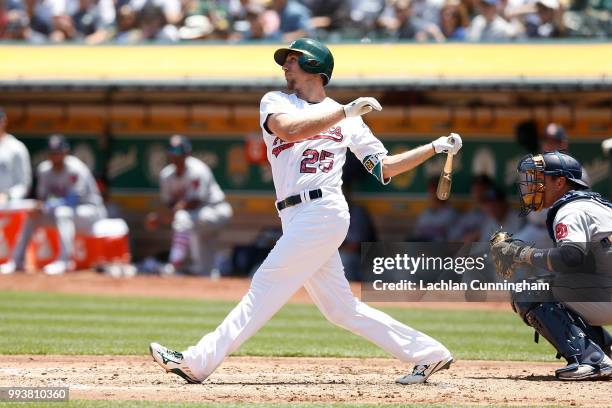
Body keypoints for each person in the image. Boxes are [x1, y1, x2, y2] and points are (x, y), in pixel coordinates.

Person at [150, 38, 462, 385]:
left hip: (324, 210)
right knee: (341, 309)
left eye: (294, 60)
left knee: (264, 286)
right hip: (295, 215)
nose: (285, 65)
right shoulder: (278, 102)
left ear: (316, 67)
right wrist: (345, 111)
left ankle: (197, 362)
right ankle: (429, 353)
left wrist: (434, 147)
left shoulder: (351, 119)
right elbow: (289, 130)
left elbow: (384, 168)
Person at [490, 151, 612, 381]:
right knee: (552, 286)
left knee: (530, 291)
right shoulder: (594, 205)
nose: (533, 184)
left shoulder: (570, 210)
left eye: (539, 177)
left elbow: (570, 257)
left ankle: (592, 360)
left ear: (560, 182)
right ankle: (605, 351)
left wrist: (523, 254)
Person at [0, 134, 107, 275]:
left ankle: (65, 261)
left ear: (66, 152)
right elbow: (42, 199)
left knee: (63, 212)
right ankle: (16, 261)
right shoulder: (44, 170)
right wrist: (38, 208)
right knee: (32, 216)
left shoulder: (75, 169)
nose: (55, 156)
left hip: (90, 212)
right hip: (62, 213)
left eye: (58, 152)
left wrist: (46, 206)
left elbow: (73, 200)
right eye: (52, 153)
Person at [144, 135, 233, 276]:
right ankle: (205, 277)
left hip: (215, 210)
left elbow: (194, 202)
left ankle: (174, 264)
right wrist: (162, 216)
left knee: (183, 218)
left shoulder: (197, 170)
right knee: (204, 269)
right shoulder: (166, 176)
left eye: (178, 151)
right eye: (171, 150)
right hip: (197, 217)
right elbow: (170, 204)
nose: (174, 155)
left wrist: (162, 217)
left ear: (187, 153)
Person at [0, 107, 32, 205]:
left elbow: (24, 184)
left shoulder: (16, 147)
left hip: (8, 206)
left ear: (4, 121)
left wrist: (8, 196)